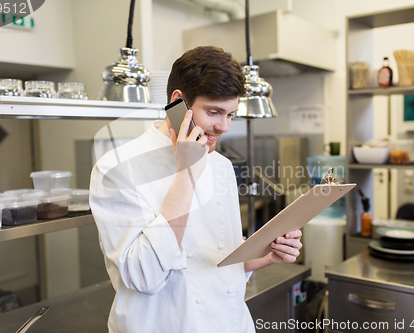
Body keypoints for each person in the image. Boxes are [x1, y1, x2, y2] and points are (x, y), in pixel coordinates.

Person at [89, 46, 302, 333]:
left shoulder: (221, 165)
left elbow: (220, 260)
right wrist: (186, 174)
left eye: (230, 114)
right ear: (178, 102)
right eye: (214, 112)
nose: (224, 126)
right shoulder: (115, 169)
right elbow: (144, 277)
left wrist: (267, 255)